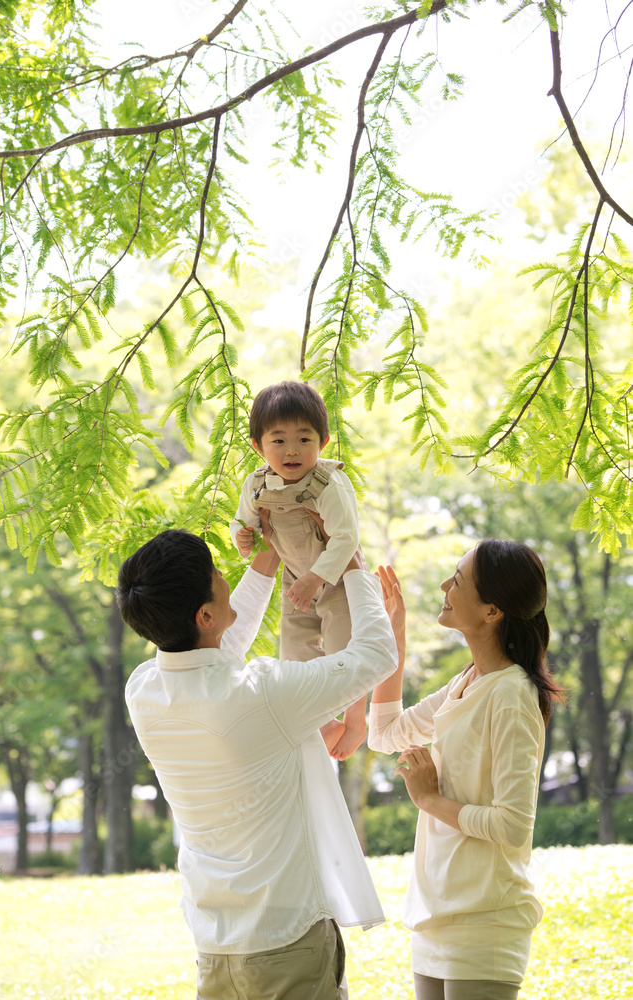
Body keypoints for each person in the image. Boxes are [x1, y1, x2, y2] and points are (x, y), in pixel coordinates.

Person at [118, 518, 400, 1000]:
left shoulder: (143, 690)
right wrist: (350, 566)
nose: (225, 576)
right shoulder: (264, 693)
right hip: (286, 941)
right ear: (205, 614)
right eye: (215, 573)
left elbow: (216, 649)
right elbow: (375, 656)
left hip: (215, 943)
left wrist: (269, 557)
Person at [369, 541, 565, 1000]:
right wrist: (394, 636)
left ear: (492, 611)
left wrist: (430, 800)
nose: (444, 586)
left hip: (484, 920)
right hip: (435, 915)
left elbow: (513, 825)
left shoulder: (511, 694)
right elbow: (384, 732)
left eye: (457, 580)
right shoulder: (466, 682)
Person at [230, 380, 367, 761]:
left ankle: (356, 718)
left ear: (322, 442)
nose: (292, 450)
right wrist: (242, 537)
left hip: (337, 578)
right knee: (294, 652)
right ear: (258, 446)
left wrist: (315, 578)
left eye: (304, 439)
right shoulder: (257, 485)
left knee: (346, 649)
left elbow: (346, 539)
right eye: (278, 440)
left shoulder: (330, 483)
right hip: (295, 577)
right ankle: (323, 723)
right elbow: (243, 522)